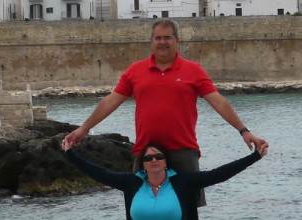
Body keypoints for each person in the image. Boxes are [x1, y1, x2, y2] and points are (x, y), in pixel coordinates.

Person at [63, 18, 266, 204]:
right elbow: (110, 102)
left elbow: (219, 102)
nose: (162, 42)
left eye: (167, 38)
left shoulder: (193, 70)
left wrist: (243, 130)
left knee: (187, 208)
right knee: (143, 206)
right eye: (158, 38)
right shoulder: (135, 70)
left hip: (183, 150)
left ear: (177, 41)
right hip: (146, 153)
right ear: (151, 42)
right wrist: (84, 129)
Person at [62, 138, 267, 220]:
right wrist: (70, 154)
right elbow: (99, 173)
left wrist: (255, 156)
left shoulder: (184, 182)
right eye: (148, 158)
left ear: (165, 161)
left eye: (158, 156)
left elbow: (220, 174)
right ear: (142, 163)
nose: (154, 160)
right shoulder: (131, 183)